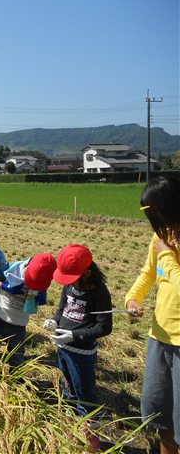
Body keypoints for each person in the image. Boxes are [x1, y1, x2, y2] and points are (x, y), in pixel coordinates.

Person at [125, 176, 180, 454]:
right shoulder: (160, 237)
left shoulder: (167, 246)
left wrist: (168, 256)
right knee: (159, 417)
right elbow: (149, 273)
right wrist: (133, 297)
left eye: (152, 212)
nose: (151, 220)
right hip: (159, 337)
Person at [44, 244, 112, 451]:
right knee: (67, 388)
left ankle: (90, 437)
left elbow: (104, 327)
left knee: (85, 393)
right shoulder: (69, 287)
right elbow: (62, 309)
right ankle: (70, 426)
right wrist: (55, 321)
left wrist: (75, 335)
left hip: (82, 353)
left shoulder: (99, 293)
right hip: (63, 348)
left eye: (71, 277)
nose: (68, 283)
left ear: (88, 273)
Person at [0, 252, 56, 367]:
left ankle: (16, 381)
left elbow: (42, 300)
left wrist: (40, 298)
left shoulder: (43, 280)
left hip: (18, 324)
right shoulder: (12, 268)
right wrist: (5, 286)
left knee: (17, 359)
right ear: (28, 267)